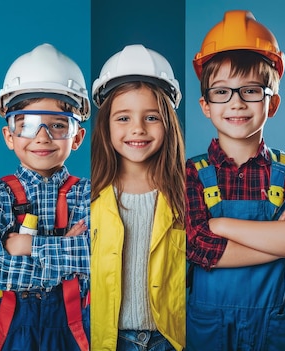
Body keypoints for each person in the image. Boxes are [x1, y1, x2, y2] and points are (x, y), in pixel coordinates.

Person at [186, 10, 285, 350]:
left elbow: (207, 234)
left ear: (272, 103)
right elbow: (196, 246)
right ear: (205, 105)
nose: (237, 103)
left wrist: (220, 224)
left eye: (251, 91)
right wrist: (278, 244)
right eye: (222, 92)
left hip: (273, 325)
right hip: (207, 327)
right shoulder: (190, 173)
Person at [0, 43, 91, 351]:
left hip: (73, 336)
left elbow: (98, 256)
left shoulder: (88, 193)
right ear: (9, 136)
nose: (42, 136)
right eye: (26, 124)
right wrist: (66, 247)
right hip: (14, 338)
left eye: (58, 125)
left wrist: (25, 245)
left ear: (77, 137)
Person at [90, 44, 186, 351]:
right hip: (108, 340)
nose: (138, 129)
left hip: (170, 340)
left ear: (168, 123)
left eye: (151, 118)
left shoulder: (186, 193)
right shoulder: (87, 196)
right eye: (123, 118)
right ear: (105, 124)